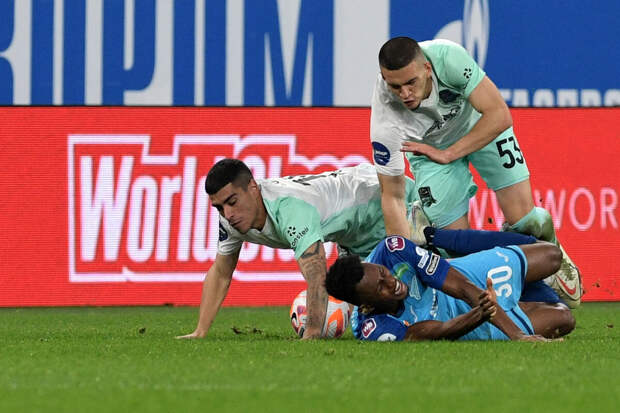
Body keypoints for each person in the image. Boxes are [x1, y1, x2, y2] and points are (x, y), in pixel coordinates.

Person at [369, 36, 582, 307]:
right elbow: (392, 196)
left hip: (482, 128)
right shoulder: (384, 119)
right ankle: (521, 293)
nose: (405, 94)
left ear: (427, 68)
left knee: (525, 220)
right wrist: (401, 264)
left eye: (411, 82)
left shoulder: (449, 58)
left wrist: (450, 153)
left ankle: (549, 243)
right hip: (429, 151)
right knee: (455, 248)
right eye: (395, 86)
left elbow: (499, 114)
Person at [177, 159, 417, 340]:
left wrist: (311, 333)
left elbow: (317, 274)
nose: (228, 214)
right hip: (353, 235)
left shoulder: (290, 209)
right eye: (219, 208)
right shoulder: (231, 221)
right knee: (372, 306)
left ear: (253, 187)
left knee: (422, 274)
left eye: (232, 202)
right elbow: (221, 273)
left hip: (383, 200)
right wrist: (200, 332)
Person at [324, 223, 576, 342]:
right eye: (381, 288)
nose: (392, 282)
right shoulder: (375, 329)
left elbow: (463, 287)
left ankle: (433, 235)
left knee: (551, 255)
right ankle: (527, 296)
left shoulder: (391, 250)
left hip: (464, 279)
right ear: (367, 306)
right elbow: (439, 331)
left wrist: (517, 335)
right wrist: (481, 312)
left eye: (383, 274)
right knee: (563, 318)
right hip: (461, 319)